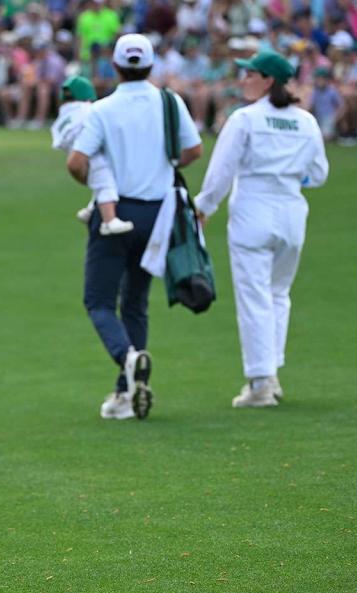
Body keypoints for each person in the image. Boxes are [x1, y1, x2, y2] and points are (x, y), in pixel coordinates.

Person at [67, 33, 202, 420]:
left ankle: (128, 360)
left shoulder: (103, 110)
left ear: (115, 65)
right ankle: (127, 392)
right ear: (151, 64)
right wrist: (164, 168)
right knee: (137, 301)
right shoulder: (169, 101)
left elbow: (77, 162)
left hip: (117, 210)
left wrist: (93, 185)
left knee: (98, 300)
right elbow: (193, 149)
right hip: (158, 213)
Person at [193, 50, 329, 408]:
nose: (243, 80)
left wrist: (203, 207)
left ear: (268, 80)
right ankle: (271, 374)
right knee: (278, 294)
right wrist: (287, 173)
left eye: (249, 74)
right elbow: (318, 174)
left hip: (254, 211)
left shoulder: (245, 119)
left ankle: (260, 383)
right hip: (291, 214)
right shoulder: (306, 121)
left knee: (255, 297)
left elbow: (221, 171)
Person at [51, 75, 132, 235]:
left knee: (97, 177)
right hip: (86, 145)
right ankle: (109, 221)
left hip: (71, 145)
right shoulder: (87, 109)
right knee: (104, 178)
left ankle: (91, 208)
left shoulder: (65, 112)